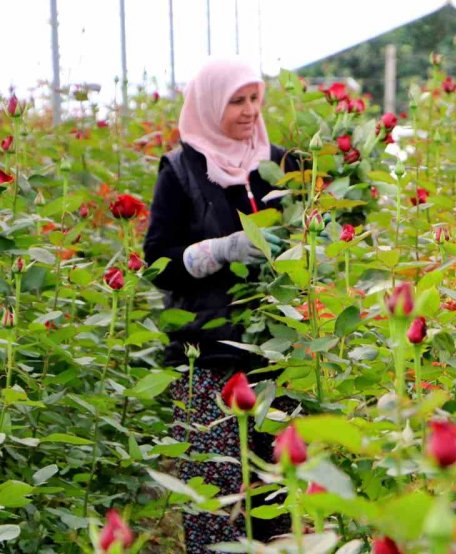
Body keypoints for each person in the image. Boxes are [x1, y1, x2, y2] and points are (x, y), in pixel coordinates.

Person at [143, 58, 294, 551]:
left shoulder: (281, 165)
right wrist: (220, 250)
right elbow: (157, 262)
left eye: (255, 98)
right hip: (206, 352)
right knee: (212, 489)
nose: (250, 110)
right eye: (237, 100)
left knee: (276, 487)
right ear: (210, 105)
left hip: (275, 348)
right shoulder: (182, 171)